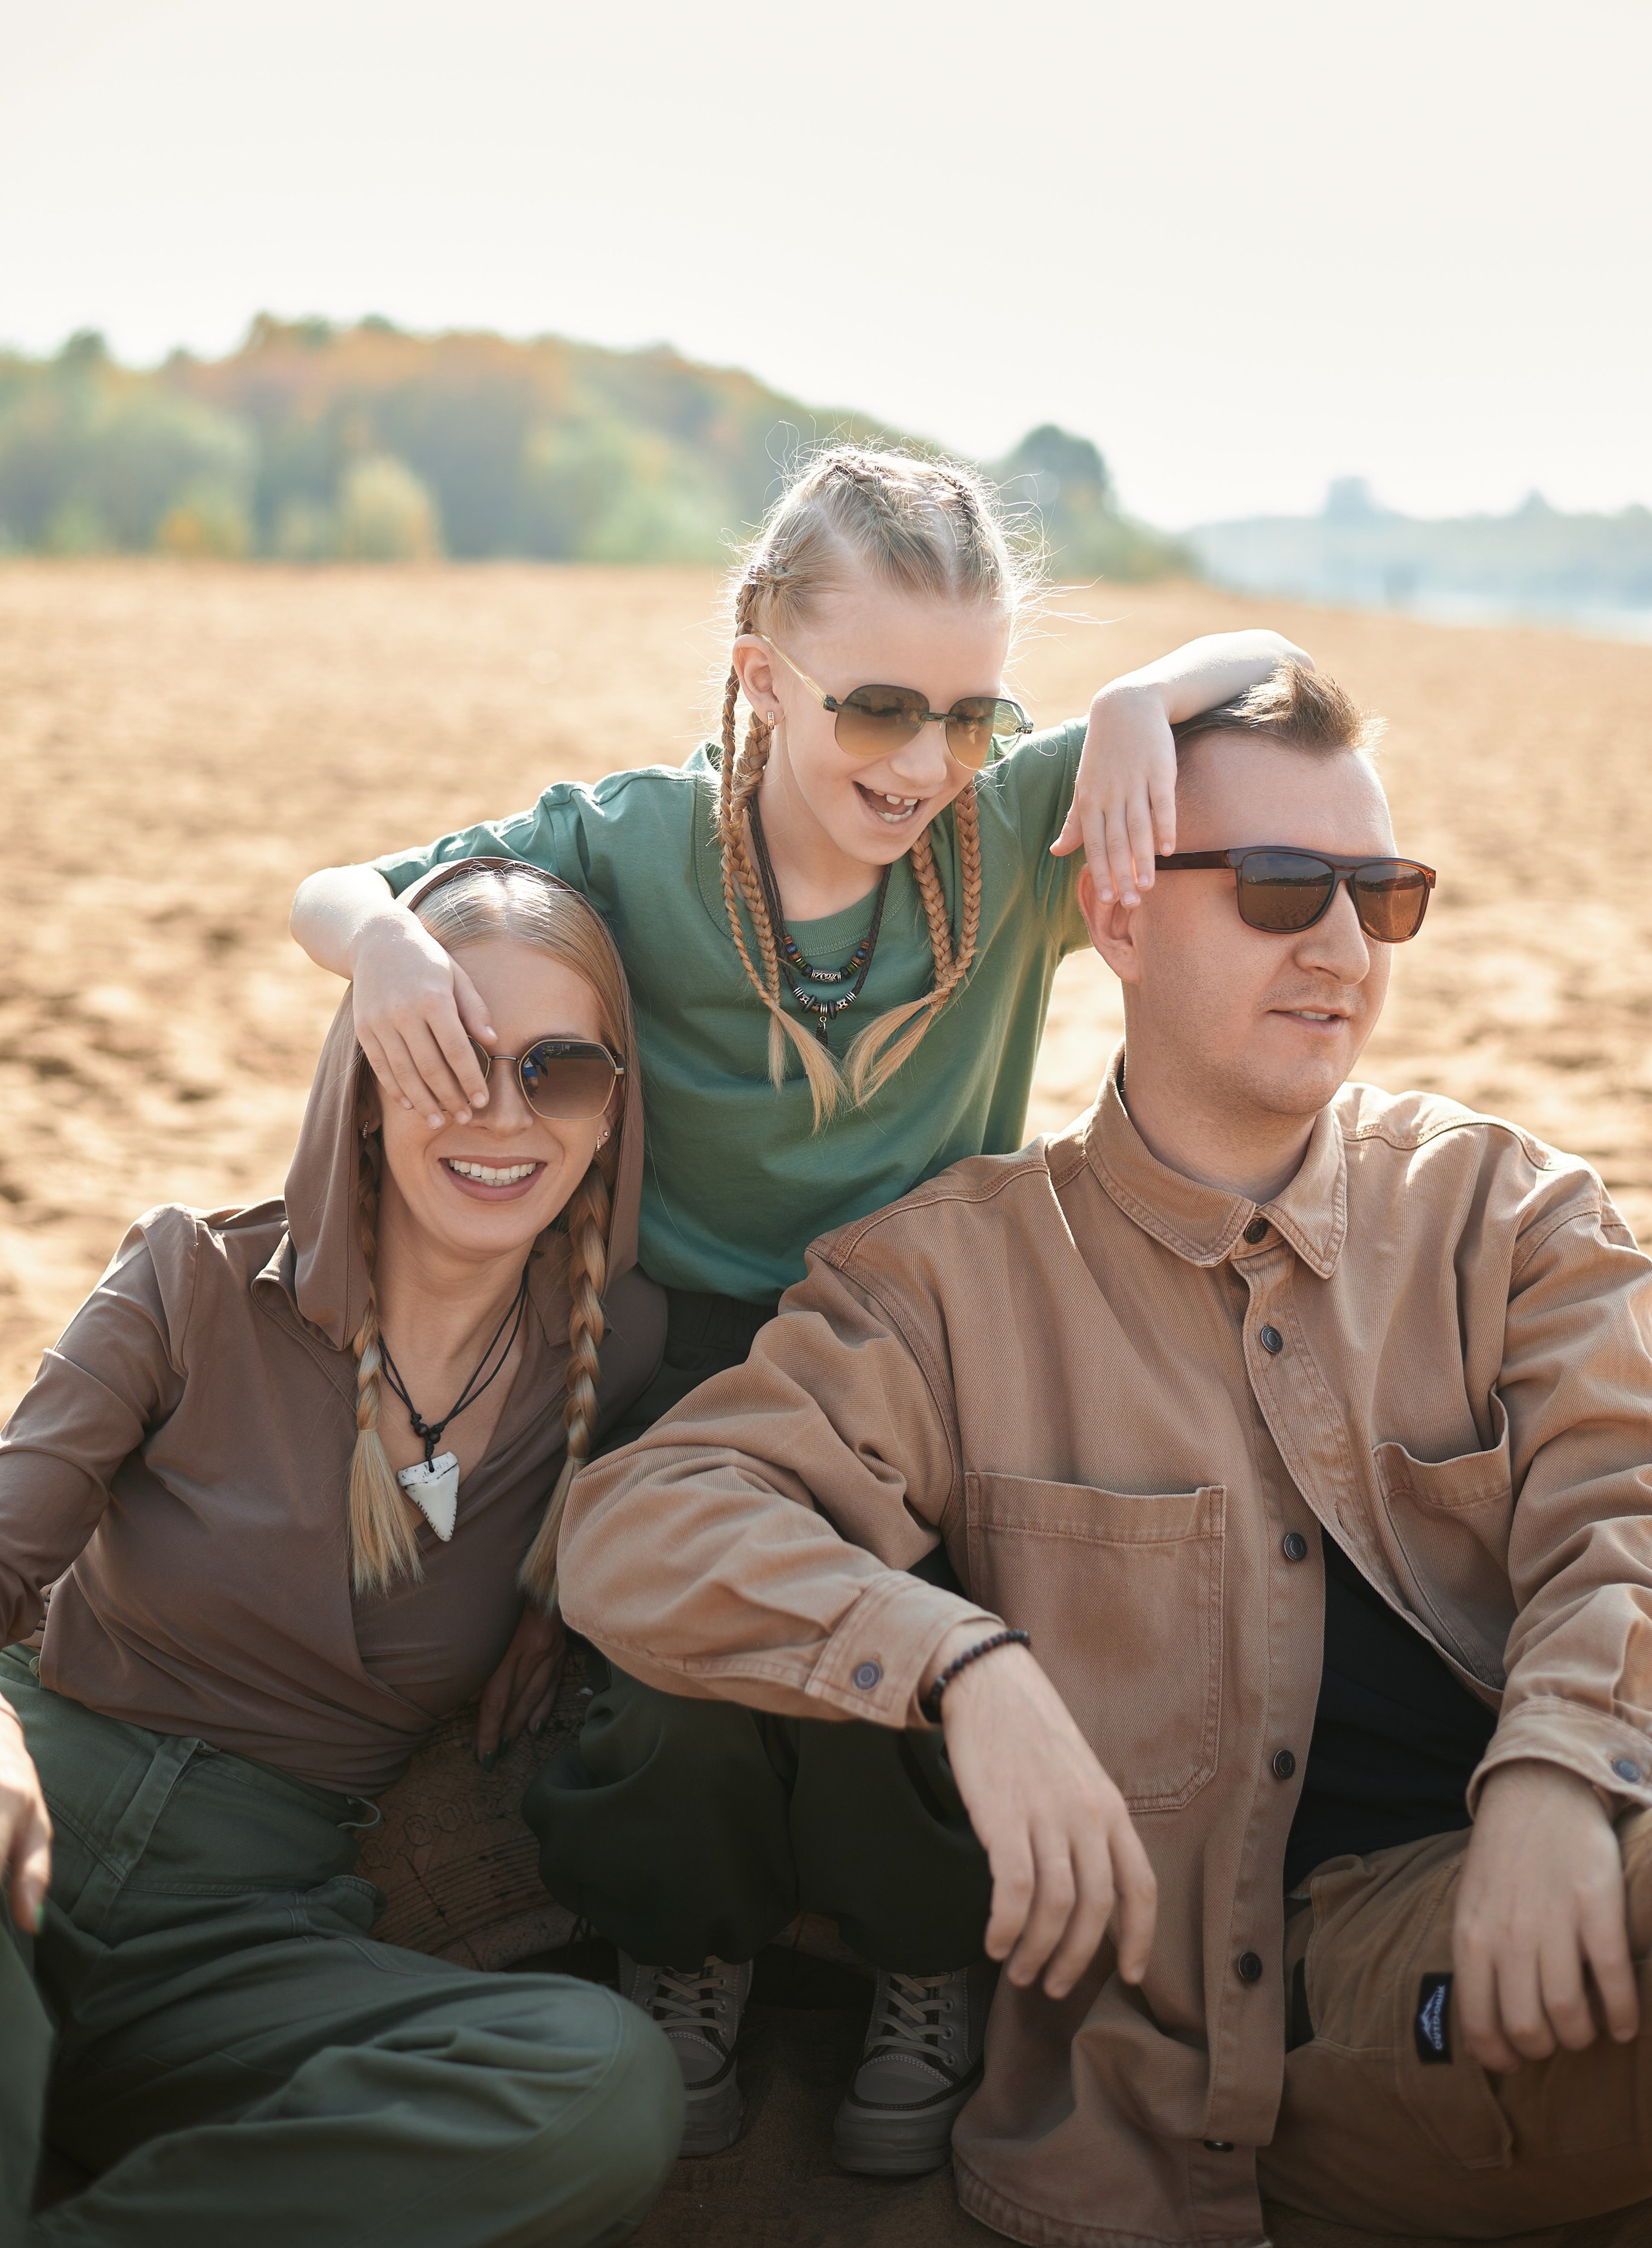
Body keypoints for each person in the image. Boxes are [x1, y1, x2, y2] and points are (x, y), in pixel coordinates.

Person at [288, 445, 1305, 2160]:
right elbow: (332, 890)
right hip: (686, 1364)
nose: (924, 762)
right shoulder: (632, 841)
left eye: (976, 712)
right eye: (881, 707)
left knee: (909, 1632)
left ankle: (921, 1957)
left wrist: (1138, 697)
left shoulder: (1007, 830)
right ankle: (685, 1948)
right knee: (687, 1667)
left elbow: (1260, 653)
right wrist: (389, 943)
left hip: (926, 1367)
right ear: (764, 668)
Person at [553, 662, 1652, 2248]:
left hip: (1567, 1882)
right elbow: (644, 1524)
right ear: (1118, 921)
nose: (1340, 949)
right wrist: (956, 1660)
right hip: (1269, 2039)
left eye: (1379, 896)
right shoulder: (947, 1284)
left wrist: (1556, 1768)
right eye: (1279, 890)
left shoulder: (1505, 1215)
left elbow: (1625, 1497)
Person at [0, 860, 683, 2248]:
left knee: (600, 2082)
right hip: (22, 1824)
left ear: (611, 1111)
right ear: (363, 1077)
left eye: (557, 1070)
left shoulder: (628, 1362)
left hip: (240, 1949)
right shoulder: (190, 1279)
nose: (501, 1112)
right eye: (446, 1057)